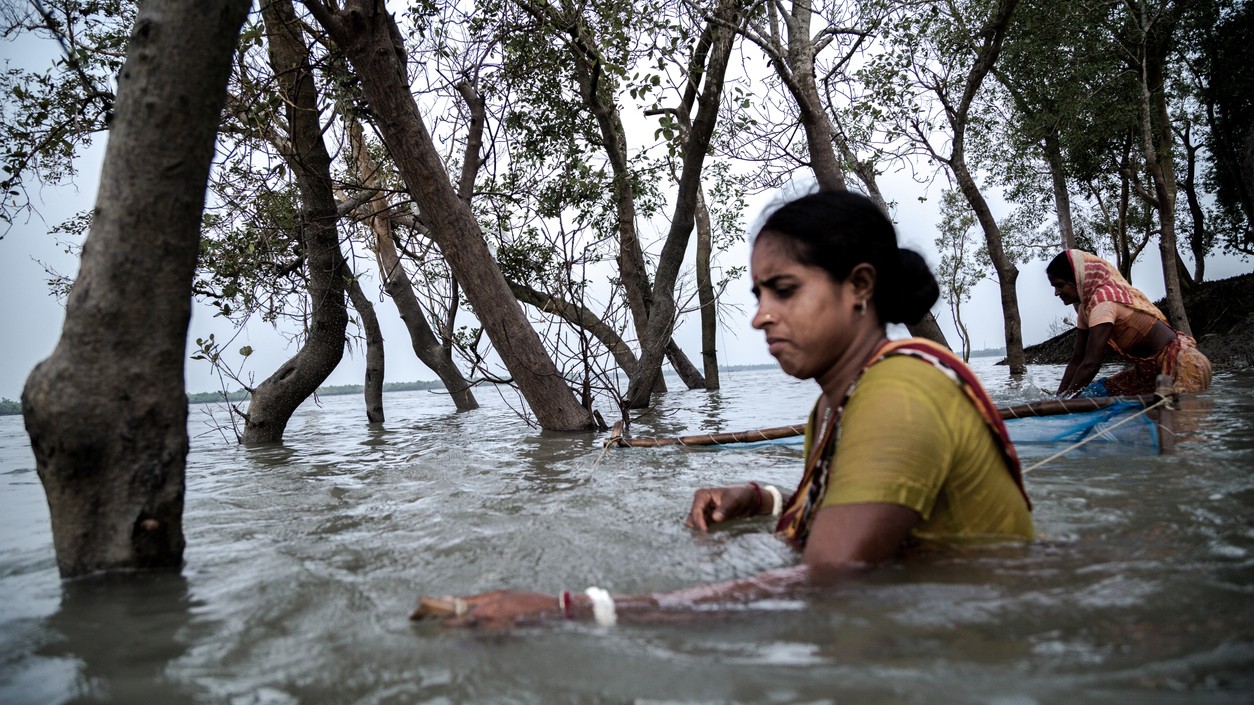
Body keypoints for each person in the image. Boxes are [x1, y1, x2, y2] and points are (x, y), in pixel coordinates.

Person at [415, 190, 1034, 629]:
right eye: (759, 294)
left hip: (986, 634)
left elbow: (829, 582)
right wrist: (762, 498)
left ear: (860, 287)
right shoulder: (840, 402)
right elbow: (854, 510)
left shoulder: (899, 394)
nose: (762, 314)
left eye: (784, 290)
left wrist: (570, 611)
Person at [1045, 250, 1212, 398]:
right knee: (1097, 392)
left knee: (1174, 426)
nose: (1056, 293)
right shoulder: (1086, 309)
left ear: (1078, 280)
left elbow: (1091, 363)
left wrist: (1066, 402)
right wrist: (1060, 397)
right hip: (1151, 373)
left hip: (1183, 367)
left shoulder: (1104, 303)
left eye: (1060, 285)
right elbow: (1077, 359)